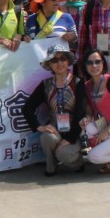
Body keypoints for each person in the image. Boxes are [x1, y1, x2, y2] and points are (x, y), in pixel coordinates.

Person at [23, 45, 85, 176]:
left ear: (68, 61)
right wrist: (39, 126)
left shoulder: (78, 83)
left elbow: (81, 113)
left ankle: (77, 163)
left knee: (65, 154)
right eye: (54, 60)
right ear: (49, 64)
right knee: (47, 137)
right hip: (55, 130)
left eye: (63, 58)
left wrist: (69, 139)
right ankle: (51, 165)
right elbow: (27, 108)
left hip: (75, 132)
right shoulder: (46, 85)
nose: (59, 63)